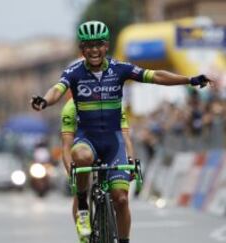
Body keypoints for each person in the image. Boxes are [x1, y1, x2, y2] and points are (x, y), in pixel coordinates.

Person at [30, 20, 212, 243]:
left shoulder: (120, 69)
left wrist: (189, 79)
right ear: (82, 49)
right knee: (82, 156)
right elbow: (57, 91)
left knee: (121, 199)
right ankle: (84, 208)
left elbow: (155, 76)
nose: (94, 50)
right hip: (87, 140)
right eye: (89, 45)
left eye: (99, 44)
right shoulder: (74, 72)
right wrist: (44, 101)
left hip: (113, 143)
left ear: (106, 46)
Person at [60, 97, 134, 241]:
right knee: (81, 184)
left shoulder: (115, 102)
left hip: (112, 147)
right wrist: (71, 170)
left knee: (122, 199)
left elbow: (125, 138)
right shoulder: (71, 108)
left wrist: (131, 160)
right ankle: (84, 234)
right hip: (84, 147)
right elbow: (66, 146)